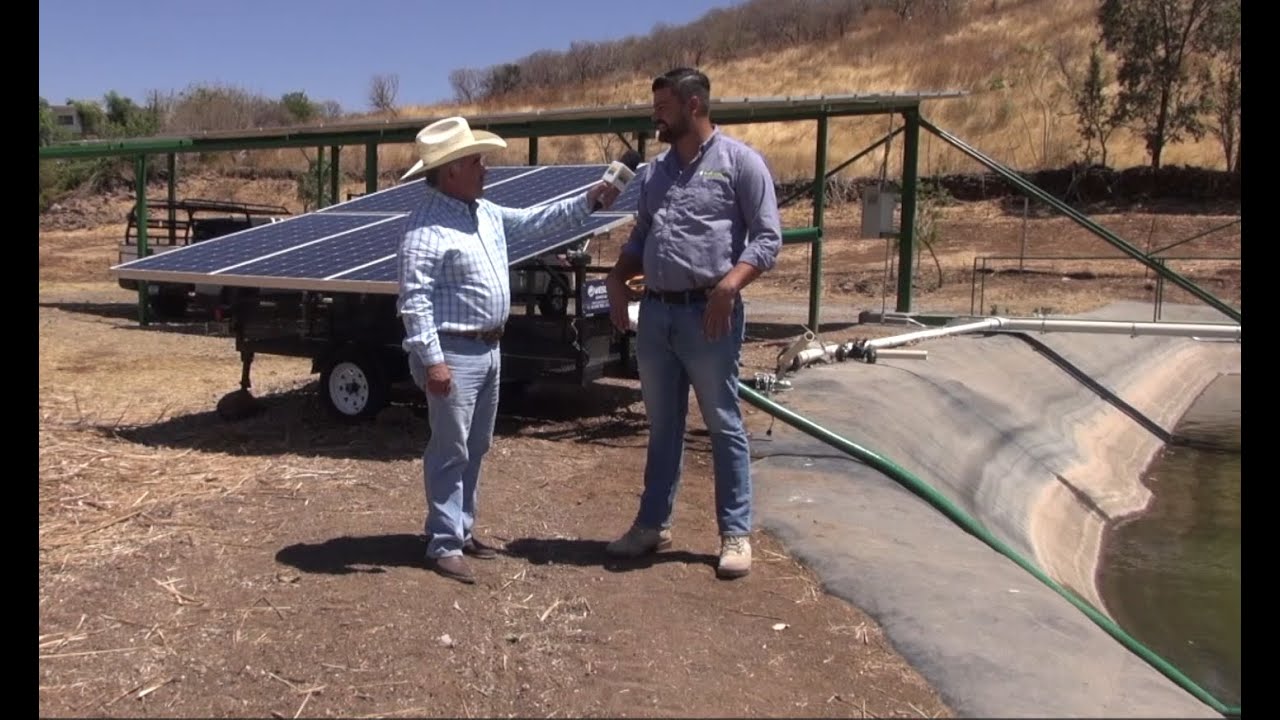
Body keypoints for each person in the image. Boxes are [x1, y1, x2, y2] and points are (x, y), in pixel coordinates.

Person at [397, 116, 620, 584]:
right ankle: (442, 543)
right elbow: (414, 302)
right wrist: (433, 361)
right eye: (478, 161)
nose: (486, 169)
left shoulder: (485, 213)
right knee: (450, 449)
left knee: (476, 446)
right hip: (454, 353)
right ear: (453, 169)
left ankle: (462, 528)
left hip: (489, 350)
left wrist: (588, 201)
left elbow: (536, 222)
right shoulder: (425, 228)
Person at [603, 68, 782, 579]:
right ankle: (651, 525)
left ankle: (734, 534)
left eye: (663, 105)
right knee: (662, 427)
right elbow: (642, 237)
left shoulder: (740, 163)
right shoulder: (656, 172)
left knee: (724, 424)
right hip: (656, 315)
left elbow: (768, 240)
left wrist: (729, 287)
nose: (655, 114)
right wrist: (618, 277)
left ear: (695, 105)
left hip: (709, 315)